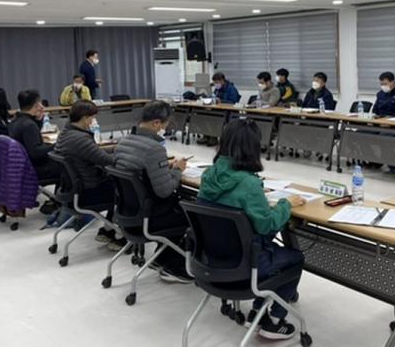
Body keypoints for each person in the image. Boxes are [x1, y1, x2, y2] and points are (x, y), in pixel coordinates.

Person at [199, 119, 306, 341]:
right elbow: (267, 225)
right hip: (245, 265)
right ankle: (274, 320)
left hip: (211, 259)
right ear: (252, 148)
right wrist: (286, 204)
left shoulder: (208, 175)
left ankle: (258, 312)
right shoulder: (249, 184)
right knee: (294, 258)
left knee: (272, 252)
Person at [114, 100, 192, 283]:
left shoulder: (123, 143)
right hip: (151, 216)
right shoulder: (154, 148)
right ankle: (175, 266)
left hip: (128, 212)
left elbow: (144, 173)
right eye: (165, 125)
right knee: (191, 213)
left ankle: (161, 258)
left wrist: (164, 168)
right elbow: (165, 191)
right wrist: (177, 170)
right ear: (156, 123)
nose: (165, 129)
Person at [55, 100, 122, 250]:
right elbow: (107, 161)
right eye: (93, 117)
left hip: (73, 190)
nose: (94, 121)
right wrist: (125, 154)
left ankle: (108, 229)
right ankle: (120, 236)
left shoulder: (65, 133)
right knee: (125, 190)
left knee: (115, 184)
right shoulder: (80, 139)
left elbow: (94, 153)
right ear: (85, 118)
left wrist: (115, 149)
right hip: (89, 191)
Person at [8, 90, 61, 184]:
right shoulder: (29, 125)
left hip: (21, 166)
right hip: (34, 168)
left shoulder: (15, 120)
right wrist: (57, 145)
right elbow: (36, 153)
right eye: (39, 103)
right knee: (69, 166)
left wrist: (39, 120)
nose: (42, 106)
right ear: (36, 105)